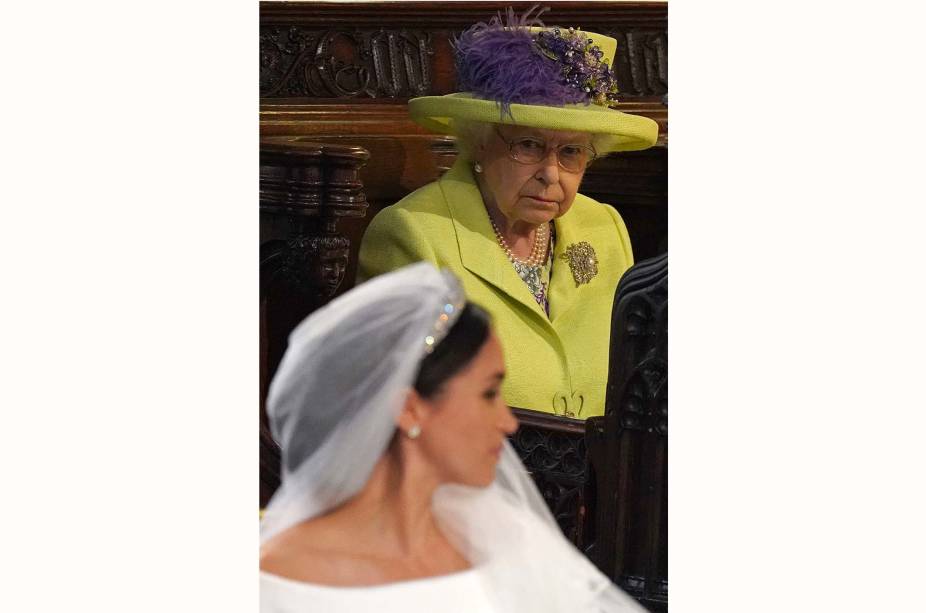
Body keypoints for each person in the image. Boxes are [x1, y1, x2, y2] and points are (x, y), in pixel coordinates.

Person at [259, 262, 645, 612]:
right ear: (409, 408)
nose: (509, 423)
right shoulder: (276, 581)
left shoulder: (500, 538)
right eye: (489, 394)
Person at [358, 8, 659, 418]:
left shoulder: (604, 227)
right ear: (480, 143)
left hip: (602, 476)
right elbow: (395, 407)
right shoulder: (412, 234)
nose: (550, 174)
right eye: (529, 146)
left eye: (571, 152)